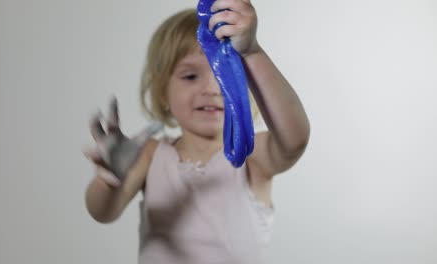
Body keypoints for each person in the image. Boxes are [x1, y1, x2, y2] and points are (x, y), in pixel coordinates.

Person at [83, 1, 310, 263]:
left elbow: (295, 139)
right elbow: (103, 212)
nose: (212, 88)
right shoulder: (151, 155)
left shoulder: (252, 156)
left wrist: (251, 53)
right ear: (163, 92)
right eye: (191, 76)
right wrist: (110, 180)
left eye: (225, 72)